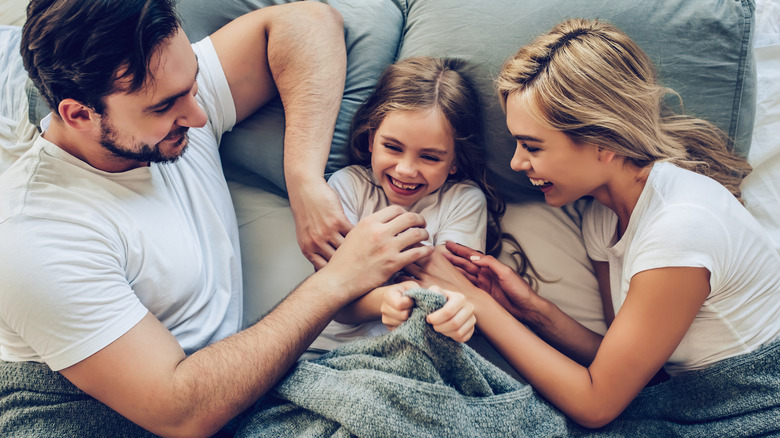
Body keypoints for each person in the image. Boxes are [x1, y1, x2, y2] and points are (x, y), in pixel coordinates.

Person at [0, 0, 433, 436]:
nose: (199, 114)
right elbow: (180, 412)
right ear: (79, 114)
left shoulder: (163, 89)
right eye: (165, 106)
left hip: (222, 401)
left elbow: (307, 23)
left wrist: (303, 178)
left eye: (193, 83)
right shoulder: (34, 234)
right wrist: (339, 279)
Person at [403, 18, 780, 430]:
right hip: (683, 401)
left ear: (604, 144)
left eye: (532, 146)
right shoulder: (602, 215)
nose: (515, 162)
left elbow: (597, 404)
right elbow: (624, 365)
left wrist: (477, 302)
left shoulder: (681, 228)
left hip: (751, 407)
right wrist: (531, 310)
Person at [307, 57, 528, 355]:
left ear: (454, 162)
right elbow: (334, 298)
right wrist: (384, 299)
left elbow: (447, 291)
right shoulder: (346, 187)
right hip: (328, 353)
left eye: (430, 157)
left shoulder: (462, 201)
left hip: (414, 356)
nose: (406, 170)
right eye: (393, 147)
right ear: (371, 140)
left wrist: (448, 312)